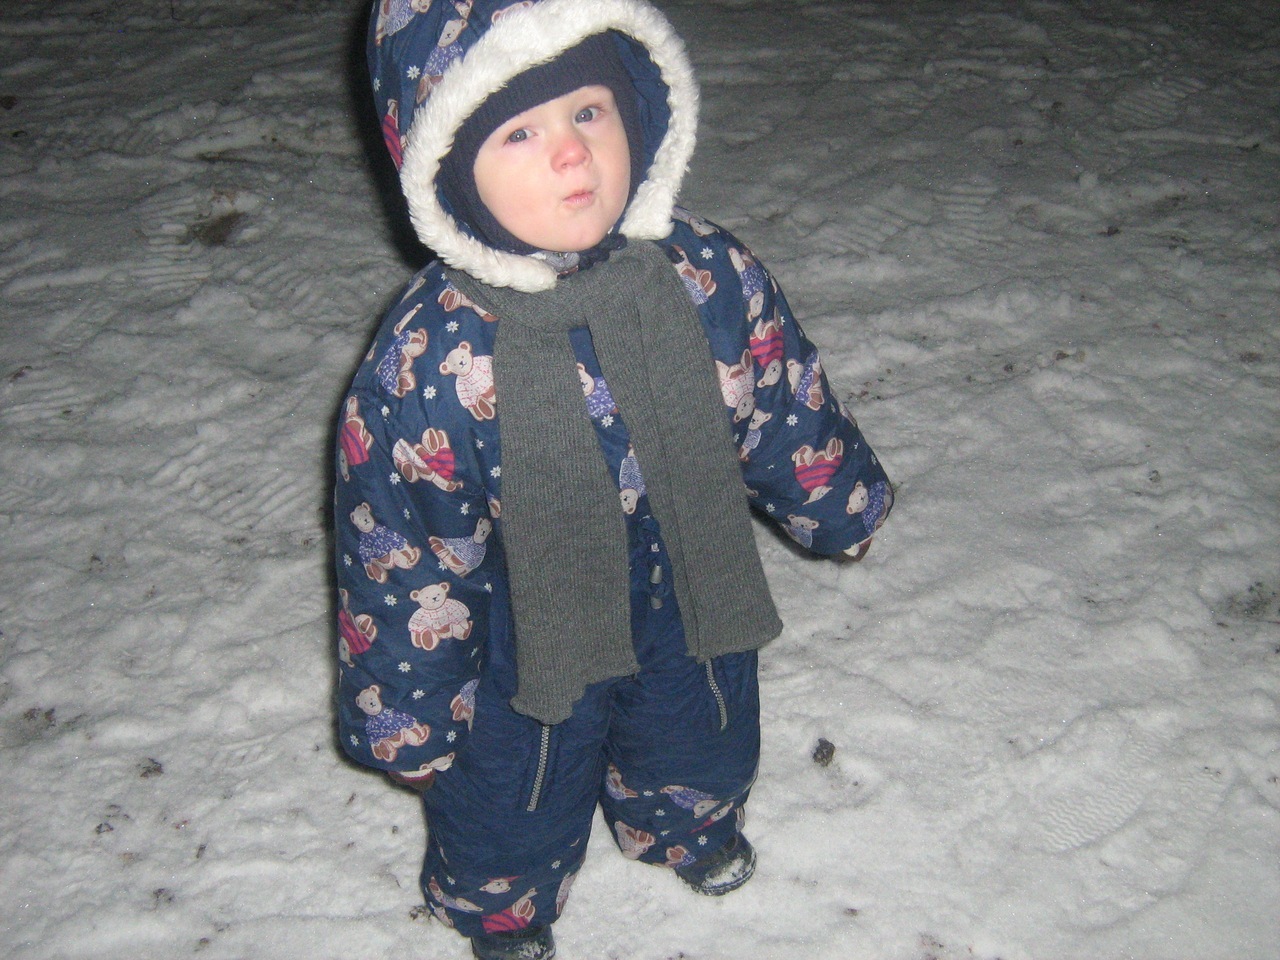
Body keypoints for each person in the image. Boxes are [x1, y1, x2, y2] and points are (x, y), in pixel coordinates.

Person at [335, 2, 893, 957]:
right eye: (520, 132)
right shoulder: (428, 362)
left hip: (691, 567)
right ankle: (505, 904)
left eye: (588, 112)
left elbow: (779, 398)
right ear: (446, 168)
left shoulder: (706, 276)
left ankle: (686, 823)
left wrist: (837, 501)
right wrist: (409, 714)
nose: (571, 153)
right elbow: (401, 551)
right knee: (514, 783)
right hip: (521, 621)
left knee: (700, 724)